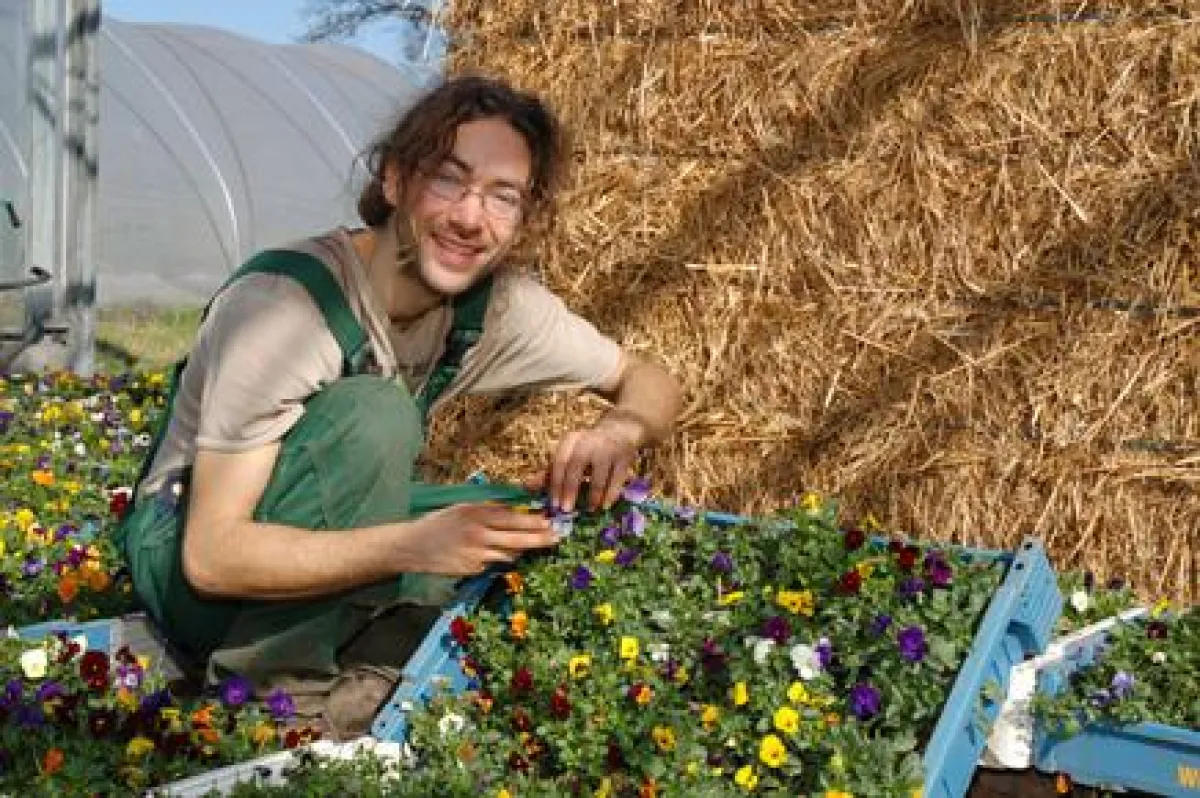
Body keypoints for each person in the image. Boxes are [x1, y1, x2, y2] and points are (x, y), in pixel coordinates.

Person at [115, 74, 683, 739]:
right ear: (393, 182)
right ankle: (282, 705)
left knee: (517, 523)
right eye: (448, 179)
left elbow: (649, 379)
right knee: (376, 416)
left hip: (309, 533)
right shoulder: (285, 310)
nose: (472, 218)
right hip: (190, 559)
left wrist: (620, 428)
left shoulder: (496, 308)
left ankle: (372, 667)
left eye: (504, 196)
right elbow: (212, 558)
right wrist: (414, 545)